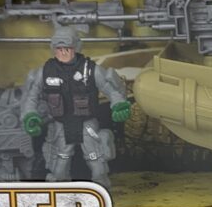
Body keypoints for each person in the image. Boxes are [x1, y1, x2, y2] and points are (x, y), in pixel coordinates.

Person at [20, 27, 131, 190]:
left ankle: (103, 194)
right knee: (59, 168)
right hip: (60, 126)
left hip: (87, 124)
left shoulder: (91, 70)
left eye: (67, 48)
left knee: (97, 165)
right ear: (53, 48)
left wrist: (119, 105)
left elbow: (112, 90)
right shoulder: (45, 72)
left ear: (77, 47)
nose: (63, 52)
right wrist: (30, 116)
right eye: (59, 48)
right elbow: (31, 97)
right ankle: (62, 196)